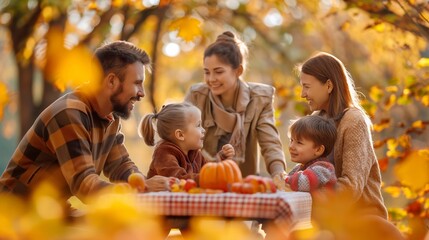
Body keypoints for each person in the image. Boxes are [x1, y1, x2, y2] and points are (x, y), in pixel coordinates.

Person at [0, 41, 170, 209]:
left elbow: (121, 166)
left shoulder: (109, 118)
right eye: (137, 83)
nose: (142, 93)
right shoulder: (68, 113)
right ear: (111, 81)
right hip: (15, 214)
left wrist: (147, 184)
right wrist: (141, 190)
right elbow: (86, 186)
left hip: (49, 211)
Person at [295, 52, 404, 239]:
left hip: (360, 219)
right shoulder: (316, 120)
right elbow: (308, 169)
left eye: (307, 87)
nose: (302, 94)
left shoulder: (354, 121)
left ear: (328, 85)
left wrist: (308, 193)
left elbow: (351, 187)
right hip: (327, 218)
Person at [184, 31, 287, 179]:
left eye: (218, 72)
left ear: (238, 71)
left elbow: (270, 143)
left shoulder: (260, 98)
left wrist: (279, 173)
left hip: (241, 181)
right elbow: (181, 138)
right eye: (207, 72)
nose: (211, 79)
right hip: (201, 178)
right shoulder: (197, 95)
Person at [139, 102, 235, 182]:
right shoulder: (164, 155)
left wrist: (222, 157)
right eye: (198, 125)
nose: (203, 130)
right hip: (159, 203)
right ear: (180, 135)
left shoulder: (194, 153)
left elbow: (208, 169)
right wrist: (211, 177)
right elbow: (179, 180)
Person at [285, 115, 337, 192]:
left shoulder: (324, 168)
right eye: (291, 140)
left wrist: (283, 179)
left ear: (318, 149)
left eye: (299, 142)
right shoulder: (299, 167)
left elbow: (303, 182)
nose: (291, 146)